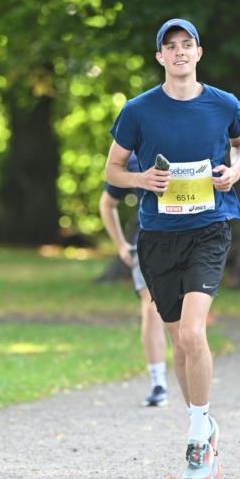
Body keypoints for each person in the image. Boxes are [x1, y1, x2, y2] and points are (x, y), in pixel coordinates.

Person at [105, 18, 240, 479]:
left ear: (199, 53)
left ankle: (196, 432)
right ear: (160, 58)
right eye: (171, 47)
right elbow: (112, 168)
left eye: (187, 45)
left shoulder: (223, 103)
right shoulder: (138, 110)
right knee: (178, 340)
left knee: (193, 333)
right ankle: (204, 425)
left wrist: (235, 171)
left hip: (210, 228)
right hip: (157, 236)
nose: (180, 52)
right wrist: (140, 179)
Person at [99, 153, 169, 407]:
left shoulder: (195, 137)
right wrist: (120, 245)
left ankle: (194, 381)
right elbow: (107, 203)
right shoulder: (134, 158)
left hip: (194, 243)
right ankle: (158, 382)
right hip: (148, 243)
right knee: (152, 307)